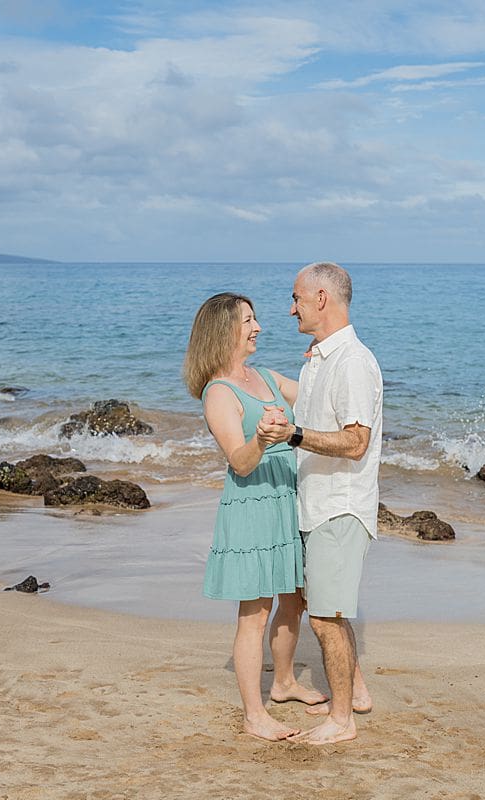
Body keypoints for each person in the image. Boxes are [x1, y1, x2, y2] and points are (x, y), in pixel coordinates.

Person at [182, 292, 326, 741]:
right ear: (224, 330)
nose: (258, 327)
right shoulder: (218, 393)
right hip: (253, 506)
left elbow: (318, 397)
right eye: (248, 320)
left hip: (286, 499)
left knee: (294, 599)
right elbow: (240, 463)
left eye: (255, 318)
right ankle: (254, 716)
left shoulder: (265, 376)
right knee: (255, 612)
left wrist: (322, 359)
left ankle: (283, 682)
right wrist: (262, 440)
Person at [258, 261, 382, 746]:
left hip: (340, 507)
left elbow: (355, 442)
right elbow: (310, 412)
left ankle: (341, 721)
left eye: (296, 298)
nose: (292, 309)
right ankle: (355, 696)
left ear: (321, 299)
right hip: (316, 504)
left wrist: (294, 435)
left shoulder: (352, 362)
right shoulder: (320, 359)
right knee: (327, 609)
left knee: (326, 617)